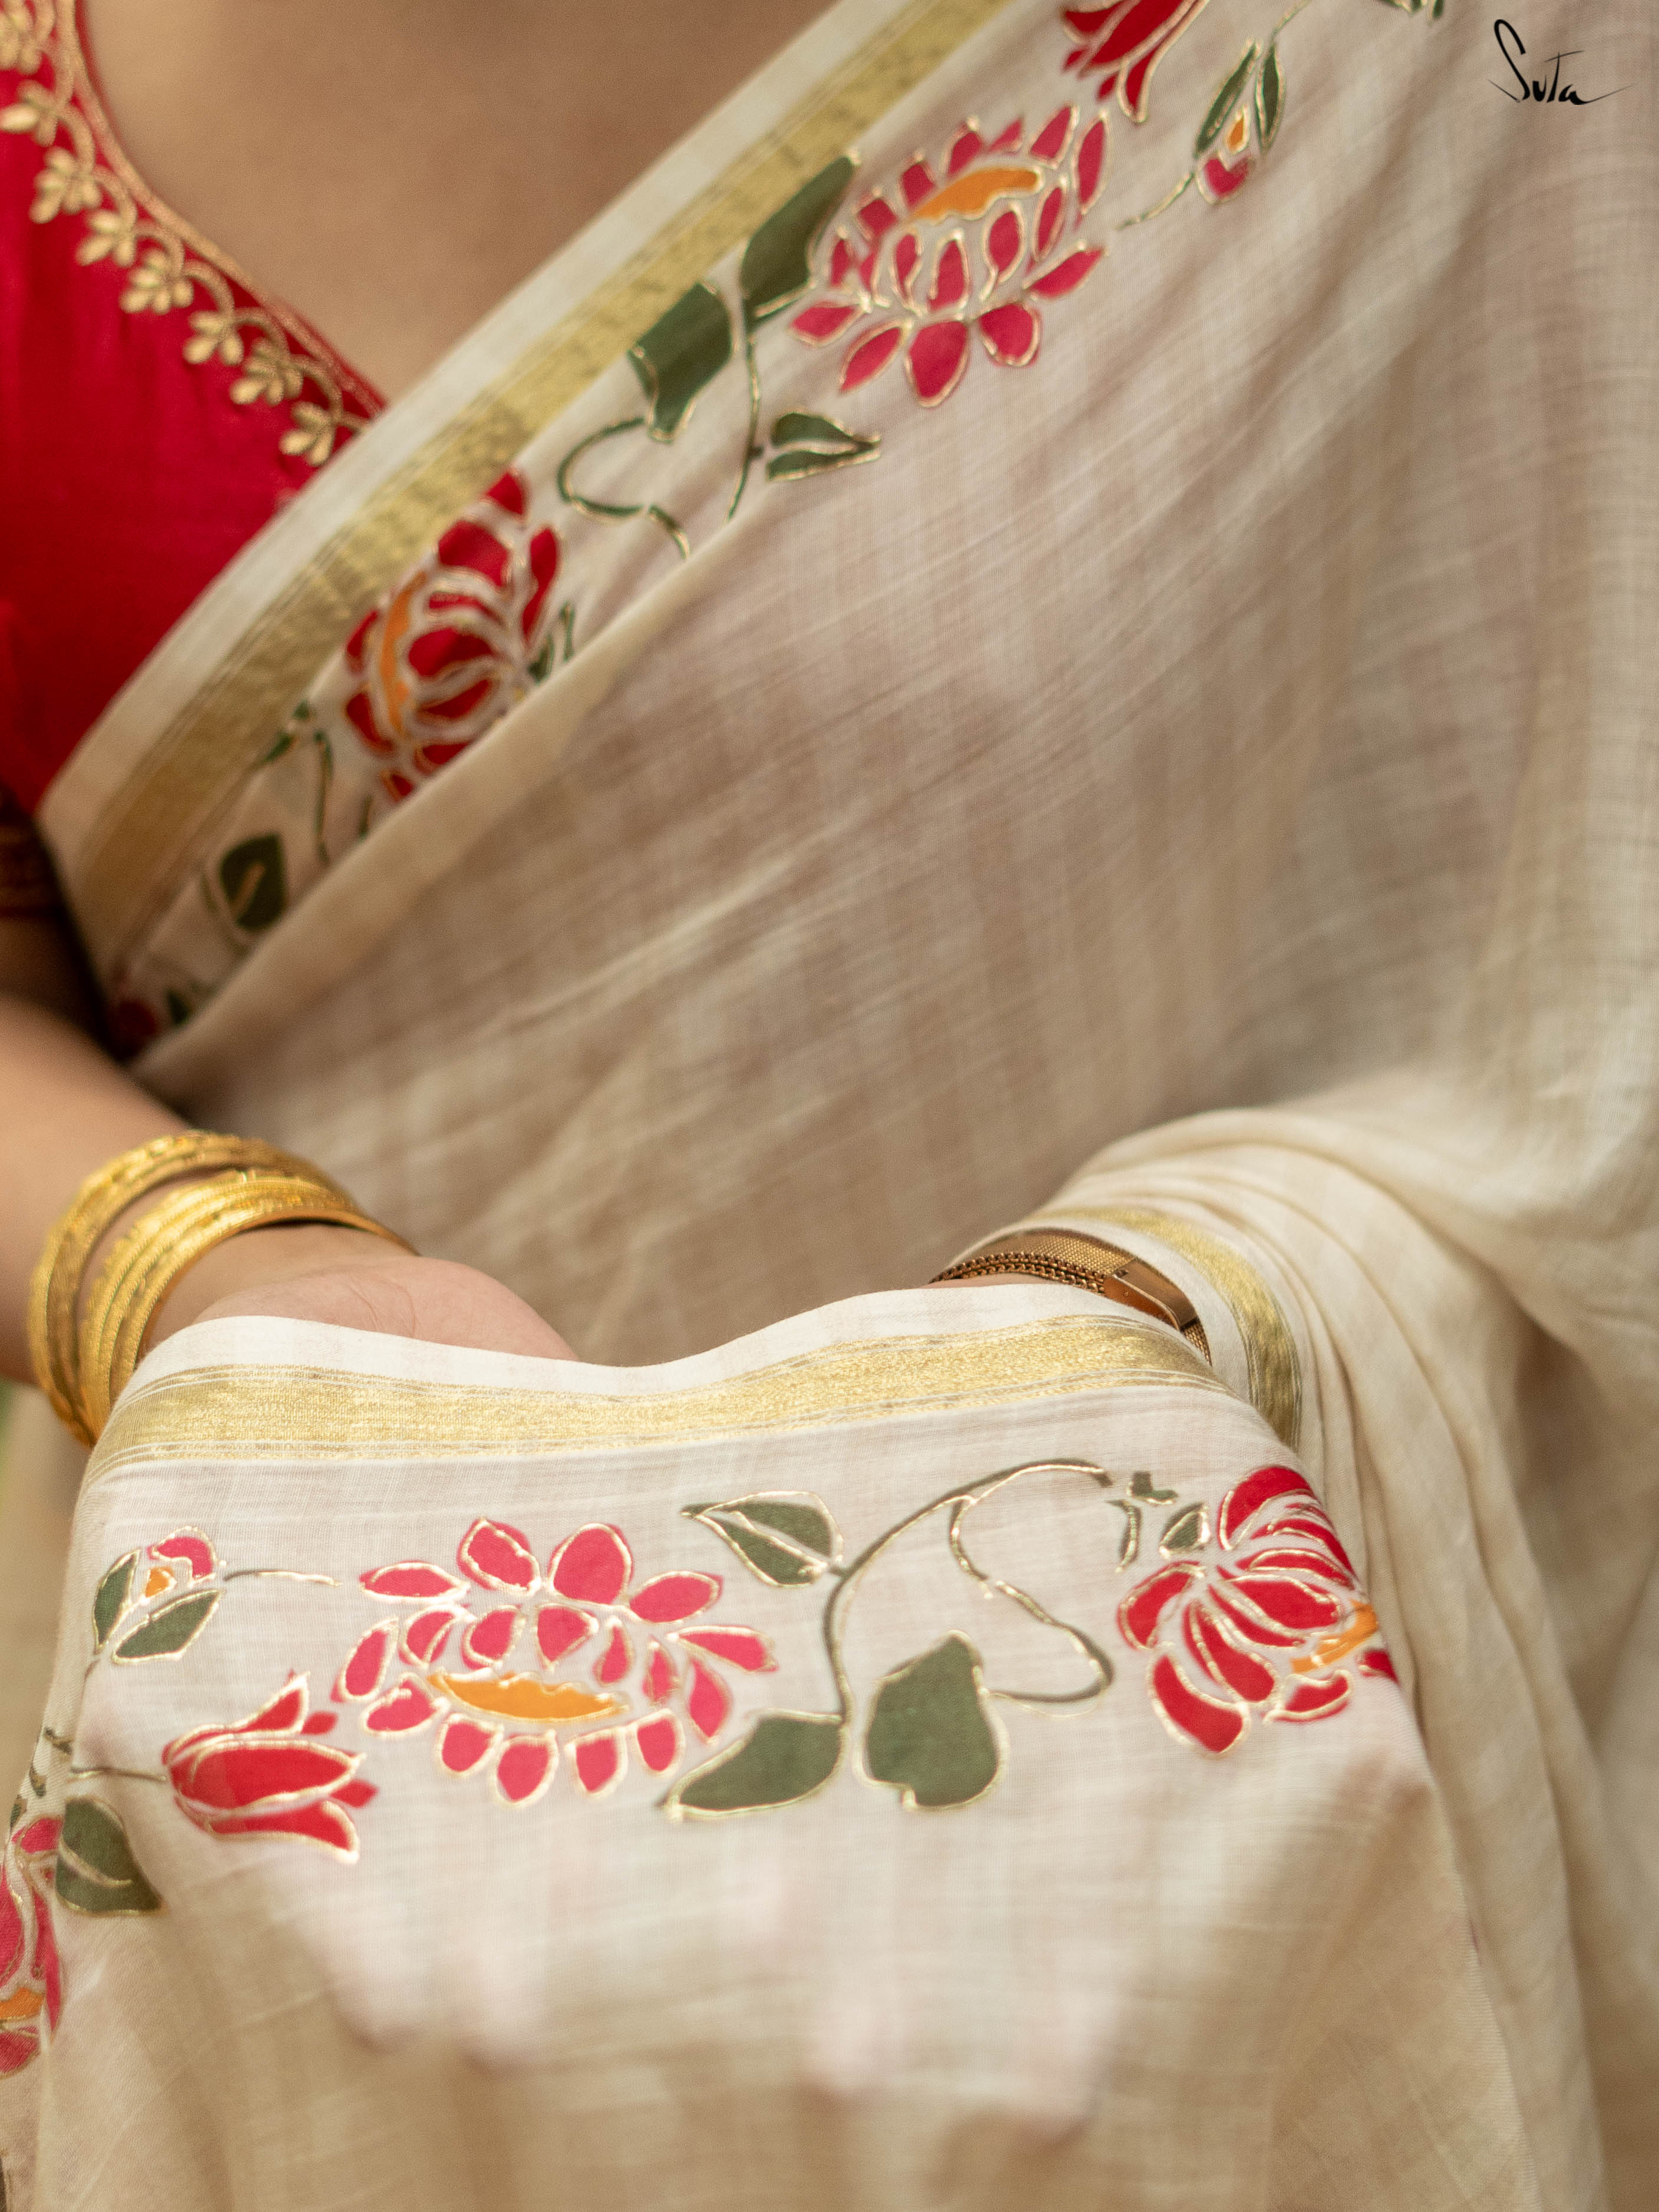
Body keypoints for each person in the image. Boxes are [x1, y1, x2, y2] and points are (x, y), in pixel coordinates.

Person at [0, 0, 1653, 2204]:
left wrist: (1139, 1338)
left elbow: (1590, 943)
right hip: (296, 1790)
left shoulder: (1486, 68)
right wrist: (209, 1265)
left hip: (1211, 1825)